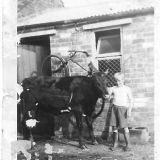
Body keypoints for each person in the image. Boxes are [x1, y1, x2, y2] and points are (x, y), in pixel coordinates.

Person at [108, 72, 134, 151]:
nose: (117, 82)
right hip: (115, 108)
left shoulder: (127, 89)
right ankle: (115, 143)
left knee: (124, 127)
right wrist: (108, 94)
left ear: (123, 80)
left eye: (119, 80)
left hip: (123, 109)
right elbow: (108, 95)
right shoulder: (113, 88)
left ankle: (128, 145)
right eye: (116, 80)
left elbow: (131, 100)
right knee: (115, 126)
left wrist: (129, 110)